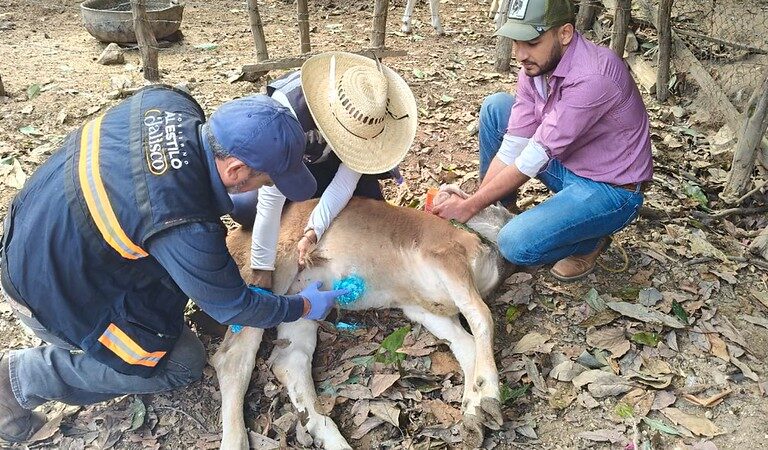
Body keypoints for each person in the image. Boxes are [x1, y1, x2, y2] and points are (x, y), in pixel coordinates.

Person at [0, 85, 349, 443]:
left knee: (178, 274)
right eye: (268, 179)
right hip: (45, 294)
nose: (269, 187)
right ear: (237, 169)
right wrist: (303, 305)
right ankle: (21, 379)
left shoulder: (168, 103)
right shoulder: (183, 222)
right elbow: (235, 307)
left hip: (32, 232)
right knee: (183, 361)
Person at [433, 0, 653, 282]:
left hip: (610, 190)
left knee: (515, 245)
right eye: (516, 42)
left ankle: (591, 242)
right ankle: (501, 210)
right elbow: (514, 145)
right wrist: (477, 202)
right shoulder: (535, 67)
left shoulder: (592, 76)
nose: (521, 55)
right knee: (497, 107)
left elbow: (531, 158)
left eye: (533, 42)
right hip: (568, 163)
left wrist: (470, 207)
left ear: (564, 34)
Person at [228, 51, 417, 289]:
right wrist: (262, 267)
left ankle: (309, 209)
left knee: (370, 211)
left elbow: (344, 183)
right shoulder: (288, 113)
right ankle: (297, 209)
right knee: (244, 207)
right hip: (296, 163)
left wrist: (313, 231)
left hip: (328, 162)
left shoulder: (368, 117)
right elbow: (271, 194)